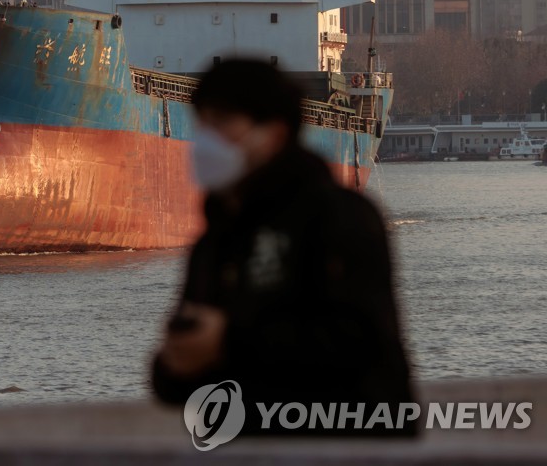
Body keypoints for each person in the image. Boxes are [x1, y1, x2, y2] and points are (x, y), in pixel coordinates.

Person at [151, 59, 417, 437]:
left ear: (273, 134)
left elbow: (363, 345)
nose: (205, 140)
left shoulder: (341, 218)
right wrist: (174, 363)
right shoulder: (216, 240)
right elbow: (179, 384)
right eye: (203, 123)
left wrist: (229, 342)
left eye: (222, 123)